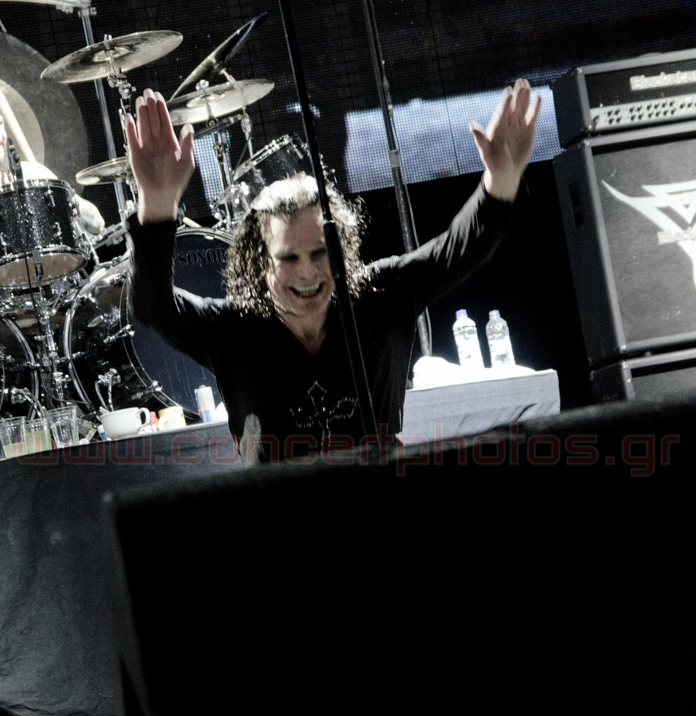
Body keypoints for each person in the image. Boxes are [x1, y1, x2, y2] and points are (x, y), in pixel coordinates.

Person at [126, 81, 541, 464]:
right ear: (260, 261)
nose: (307, 272)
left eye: (320, 252)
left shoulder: (381, 295)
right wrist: (157, 205)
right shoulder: (233, 330)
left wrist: (501, 179)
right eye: (289, 258)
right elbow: (152, 308)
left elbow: (458, 250)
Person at [0, 114, 105, 236]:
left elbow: (96, 224)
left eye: (0, 124)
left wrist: (68, 203)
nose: (1, 136)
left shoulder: (30, 173)